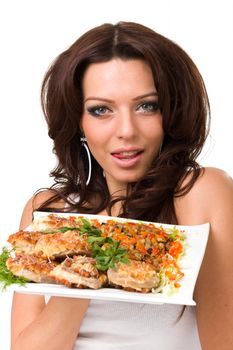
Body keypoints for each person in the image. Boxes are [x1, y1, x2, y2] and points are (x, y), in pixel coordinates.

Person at [10, 21, 233, 350]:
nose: (126, 130)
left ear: (170, 112)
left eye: (146, 106)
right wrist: (82, 267)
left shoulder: (200, 193)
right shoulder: (49, 211)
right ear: (79, 122)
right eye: (101, 110)